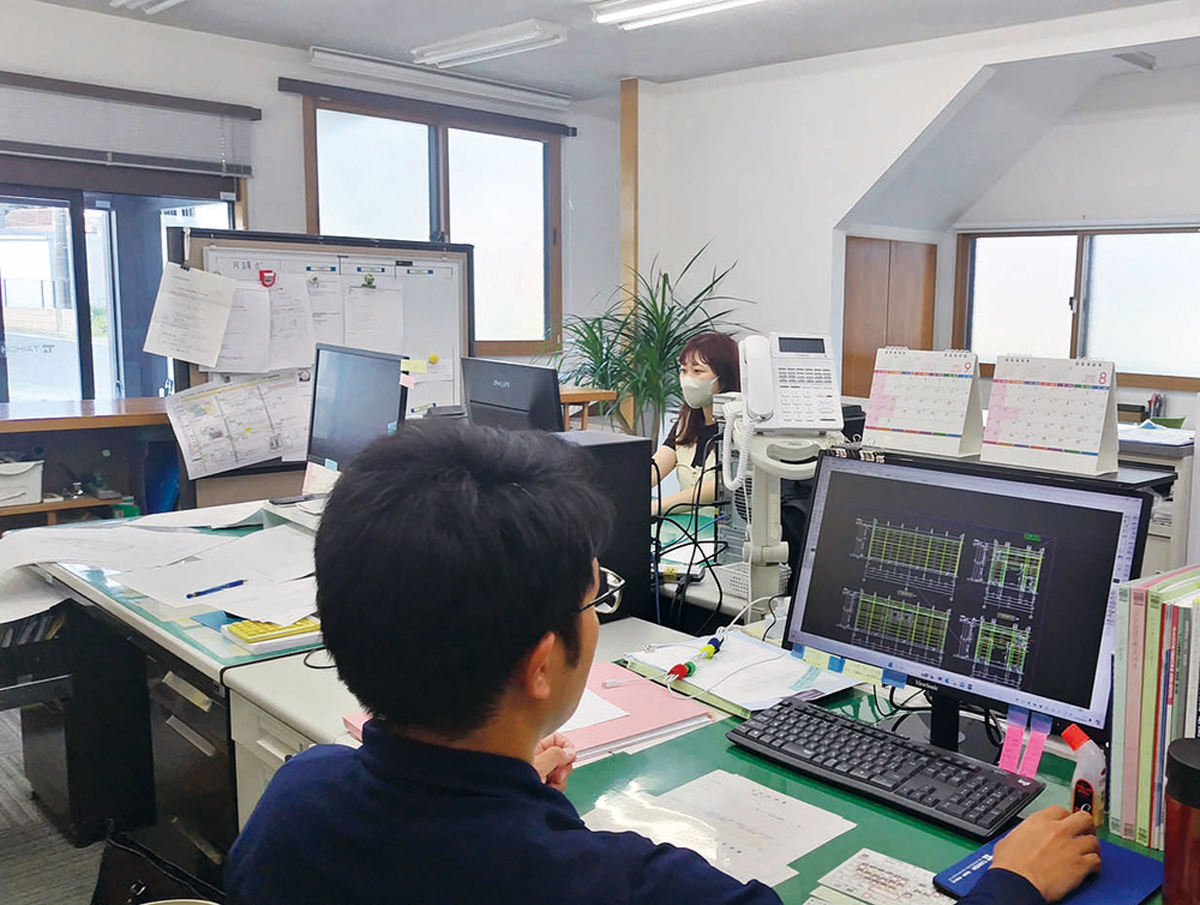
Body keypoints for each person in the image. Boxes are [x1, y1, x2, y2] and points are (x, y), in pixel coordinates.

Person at [226, 421, 1100, 905]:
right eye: (595, 596)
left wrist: (513, 790)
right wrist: (1014, 885)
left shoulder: (296, 801)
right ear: (541, 665)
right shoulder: (631, 890)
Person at [652, 332, 740, 518]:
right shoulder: (686, 423)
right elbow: (655, 469)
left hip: (721, 529)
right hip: (686, 527)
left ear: (724, 378)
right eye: (683, 370)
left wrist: (655, 507)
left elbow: (720, 485)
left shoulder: (741, 427)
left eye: (697, 371)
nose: (687, 378)